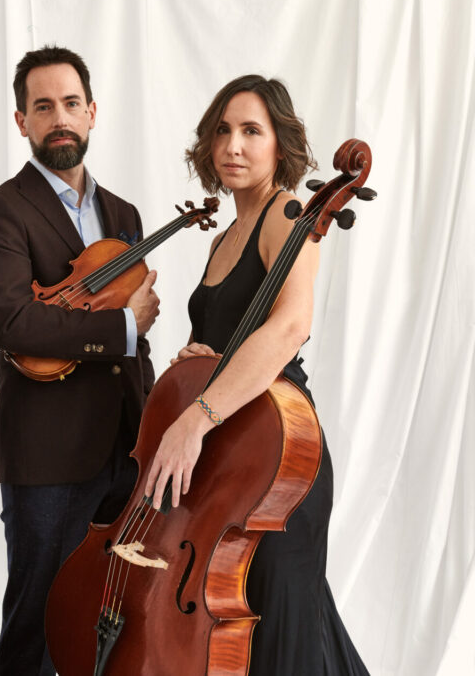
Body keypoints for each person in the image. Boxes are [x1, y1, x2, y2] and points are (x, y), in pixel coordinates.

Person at [144, 74, 368, 675]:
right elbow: (230, 341)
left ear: (279, 144)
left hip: (276, 450)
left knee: (283, 631)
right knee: (249, 625)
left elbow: (289, 326)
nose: (233, 146)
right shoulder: (223, 239)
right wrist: (200, 364)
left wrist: (196, 417)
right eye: (222, 131)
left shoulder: (287, 214)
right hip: (233, 454)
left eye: (251, 131)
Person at [0, 45, 159, 675]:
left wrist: (155, 424)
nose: (59, 118)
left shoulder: (124, 214)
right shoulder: (1, 209)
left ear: (92, 113)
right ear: (21, 120)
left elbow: (138, 339)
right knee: (39, 617)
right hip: (47, 452)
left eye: (71, 103)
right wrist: (120, 327)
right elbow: (11, 322)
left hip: (128, 448)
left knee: (114, 614)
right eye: (43, 106)